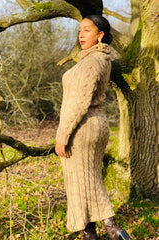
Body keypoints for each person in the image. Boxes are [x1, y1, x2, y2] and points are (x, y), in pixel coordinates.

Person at [55, 15, 131, 240]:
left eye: (87, 30)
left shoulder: (92, 62)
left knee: (80, 184)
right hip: (94, 125)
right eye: (80, 30)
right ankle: (101, 232)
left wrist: (63, 134)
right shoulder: (99, 59)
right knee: (86, 180)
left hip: (82, 127)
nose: (81, 34)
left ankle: (111, 229)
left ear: (100, 35)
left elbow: (79, 102)